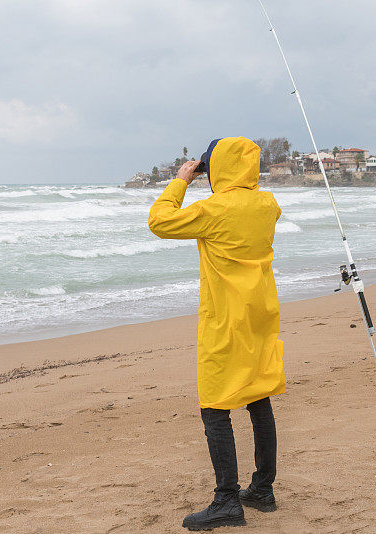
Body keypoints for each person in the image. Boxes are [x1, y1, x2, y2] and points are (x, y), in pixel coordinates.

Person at [148, 137, 286, 531]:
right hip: (260, 314)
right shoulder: (268, 205)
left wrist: (180, 181)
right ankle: (262, 489)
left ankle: (227, 500)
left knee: (215, 407)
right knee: (258, 397)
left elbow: (159, 221)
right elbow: (249, 204)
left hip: (226, 320)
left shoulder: (213, 209)